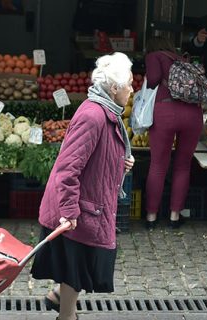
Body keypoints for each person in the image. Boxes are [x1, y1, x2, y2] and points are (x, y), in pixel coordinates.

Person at [31, 52, 135, 320]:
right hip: (78, 209)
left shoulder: (106, 112)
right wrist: (68, 211)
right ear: (113, 88)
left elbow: (95, 158)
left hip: (89, 207)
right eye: (129, 84)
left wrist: (119, 162)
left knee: (76, 266)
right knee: (75, 267)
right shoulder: (94, 116)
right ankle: (66, 317)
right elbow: (68, 168)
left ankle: (60, 301)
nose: (132, 89)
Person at [143, 37, 203, 230]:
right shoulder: (183, 61)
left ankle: (151, 216)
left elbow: (152, 80)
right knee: (183, 166)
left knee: (158, 165)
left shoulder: (154, 56)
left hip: (166, 112)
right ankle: (174, 216)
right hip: (193, 114)